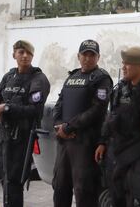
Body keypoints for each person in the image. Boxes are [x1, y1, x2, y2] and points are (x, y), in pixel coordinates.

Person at [52, 39, 113, 207]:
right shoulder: (72, 77)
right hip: (64, 142)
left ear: (98, 57)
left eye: (91, 55)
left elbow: (98, 110)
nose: (87, 58)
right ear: (78, 56)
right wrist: (58, 126)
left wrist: (69, 126)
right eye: (84, 54)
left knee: (84, 191)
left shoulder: (102, 79)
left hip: (84, 143)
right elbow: (59, 105)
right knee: (60, 187)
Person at [0, 40, 50, 207]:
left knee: (15, 181)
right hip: (4, 135)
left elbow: (34, 110)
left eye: (28, 53)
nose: (25, 56)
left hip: (22, 136)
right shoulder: (9, 76)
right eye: (21, 52)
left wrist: (6, 108)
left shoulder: (38, 79)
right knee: (6, 179)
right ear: (14, 54)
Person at [95, 46, 140, 207]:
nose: (123, 67)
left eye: (128, 63)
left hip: (134, 153)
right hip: (115, 150)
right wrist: (102, 142)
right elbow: (111, 116)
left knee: (133, 196)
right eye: (123, 63)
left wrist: (132, 153)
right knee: (115, 194)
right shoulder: (121, 89)